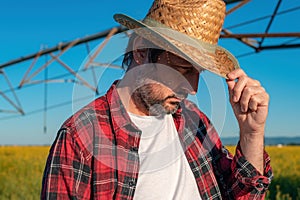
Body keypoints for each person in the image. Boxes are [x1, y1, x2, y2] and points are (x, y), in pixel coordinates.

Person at [41, 0, 273, 199]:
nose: (193, 89)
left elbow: (241, 194)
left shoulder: (196, 121)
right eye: (182, 70)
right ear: (142, 51)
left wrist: (252, 133)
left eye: (198, 73)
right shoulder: (81, 135)